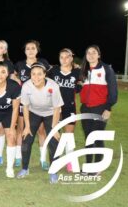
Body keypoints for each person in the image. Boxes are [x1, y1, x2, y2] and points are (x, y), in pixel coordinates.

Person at [17, 62, 63, 184]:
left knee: (53, 141)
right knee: (26, 140)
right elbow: (25, 107)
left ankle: (53, 171)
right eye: (33, 74)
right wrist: (27, 127)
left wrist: (54, 128)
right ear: (30, 75)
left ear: (44, 75)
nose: (36, 77)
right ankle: (25, 168)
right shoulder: (26, 86)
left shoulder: (53, 86)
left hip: (51, 113)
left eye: (39, 74)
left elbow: (57, 108)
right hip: (34, 112)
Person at [79, 45, 117, 175]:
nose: (91, 55)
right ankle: (88, 166)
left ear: (99, 55)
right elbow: (80, 88)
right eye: (88, 52)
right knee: (88, 137)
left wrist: (108, 108)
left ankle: (98, 167)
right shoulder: (83, 71)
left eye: (94, 52)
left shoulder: (106, 69)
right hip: (85, 108)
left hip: (100, 108)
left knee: (97, 136)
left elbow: (113, 91)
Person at [15, 40, 51, 170]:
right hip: (24, 102)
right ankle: (18, 157)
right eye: (28, 48)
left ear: (37, 50)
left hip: (40, 102)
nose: (30, 51)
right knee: (21, 129)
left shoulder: (43, 63)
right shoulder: (19, 65)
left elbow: (50, 78)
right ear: (25, 51)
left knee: (41, 131)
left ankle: (43, 159)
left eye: (33, 48)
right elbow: (12, 76)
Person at [48, 48, 81, 172]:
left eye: (67, 57)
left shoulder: (77, 72)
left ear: (72, 58)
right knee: (55, 134)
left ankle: (70, 162)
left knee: (69, 136)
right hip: (54, 108)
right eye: (61, 57)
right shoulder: (54, 70)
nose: (64, 59)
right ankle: (55, 161)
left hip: (69, 107)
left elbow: (80, 87)